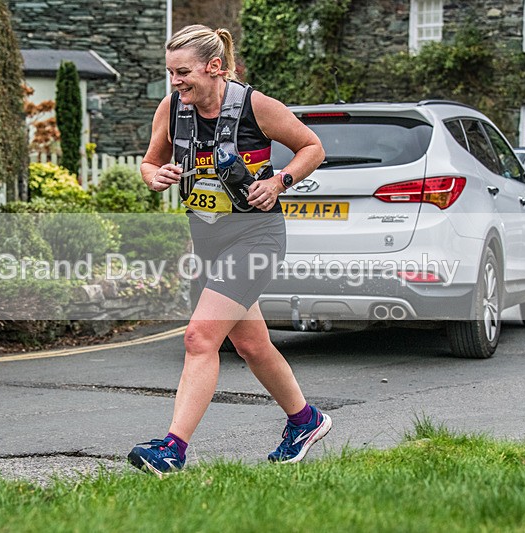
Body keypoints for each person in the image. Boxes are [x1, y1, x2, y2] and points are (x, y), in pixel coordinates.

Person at [127, 24, 330, 477]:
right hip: (207, 241)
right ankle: (305, 421)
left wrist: (280, 181)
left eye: (183, 72)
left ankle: (172, 450)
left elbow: (312, 147)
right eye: (170, 73)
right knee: (252, 345)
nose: (176, 82)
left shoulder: (255, 106)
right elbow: (149, 160)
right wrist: (152, 175)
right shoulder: (172, 108)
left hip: (255, 237)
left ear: (214, 67)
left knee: (200, 338)